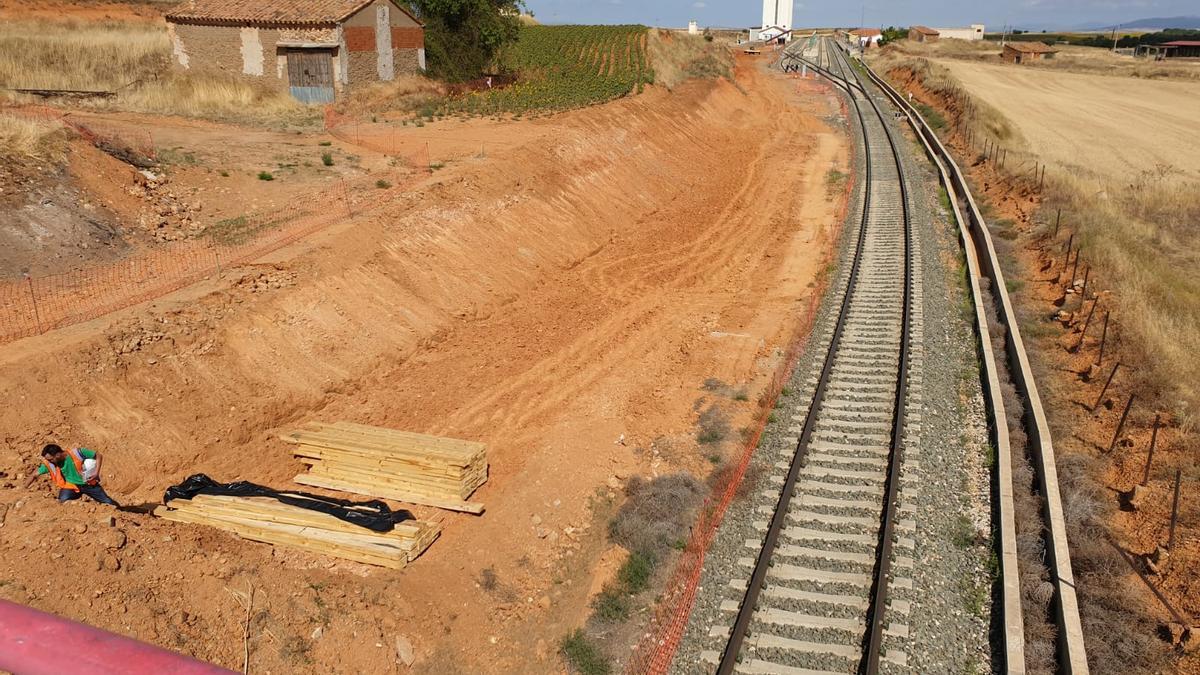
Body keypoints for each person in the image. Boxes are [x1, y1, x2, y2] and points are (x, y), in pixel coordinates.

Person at [24, 444, 120, 507]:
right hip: (71, 486)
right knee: (61, 503)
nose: (49, 462)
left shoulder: (77, 453)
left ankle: (123, 513)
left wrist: (96, 473)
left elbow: (98, 456)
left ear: (57, 455)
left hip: (89, 484)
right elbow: (34, 475)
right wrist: (23, 489)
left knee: (109, 504)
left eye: (50, 459)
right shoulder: (50, 464)